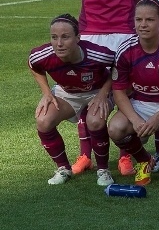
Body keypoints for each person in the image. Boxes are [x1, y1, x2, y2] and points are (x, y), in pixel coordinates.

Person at [71, 0, 152, 177]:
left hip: (123, 29)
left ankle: (125, 155)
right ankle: (84, 155)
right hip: (92, 29)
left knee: (124, 91)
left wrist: (126, 7)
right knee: (88, 91)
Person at [108, 0, 159, 187]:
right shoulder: (126, 49)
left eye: (150, 20)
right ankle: (144, 161)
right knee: (115, 128)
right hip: (140, 103)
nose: (143, 25)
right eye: (139, 20)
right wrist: (136, 120)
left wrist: (157, 118)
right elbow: (119, 91)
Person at [29, 14, 115, 186]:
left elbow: (118, 65)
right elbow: (34, 66)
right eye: (54, 37)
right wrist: (47, 93)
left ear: (78, 37)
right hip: (66, 93)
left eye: (65, 37)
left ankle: (103, 170)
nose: (59, 43)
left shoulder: (97, 54)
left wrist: (103, 94)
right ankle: (63, 169)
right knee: (43, 120)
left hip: (96, 91)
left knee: (95, 121)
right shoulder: (43, 55)